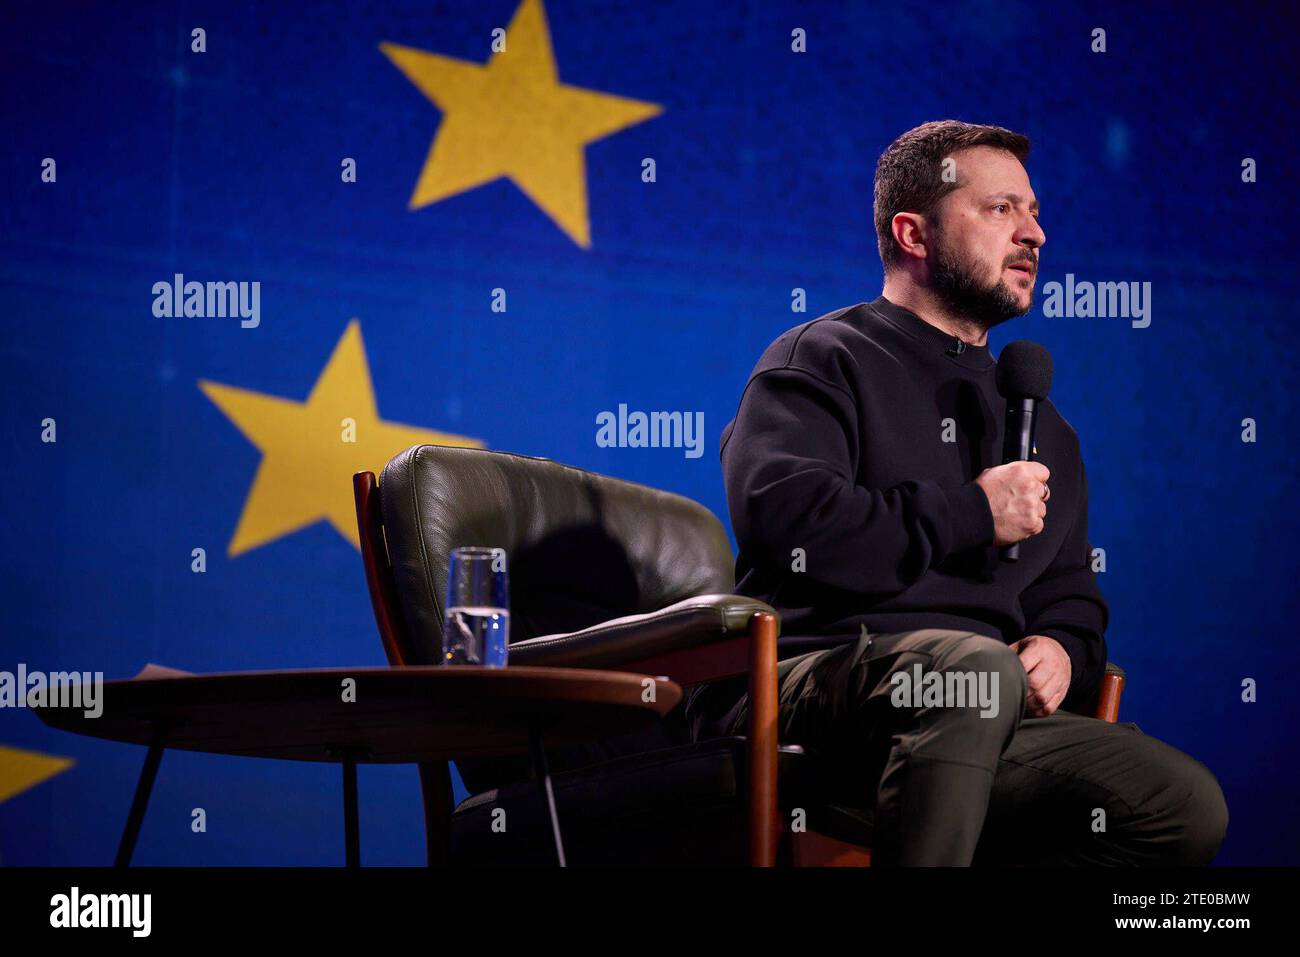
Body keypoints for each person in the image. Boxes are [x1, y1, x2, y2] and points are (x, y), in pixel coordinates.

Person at [684, 120, 1228, 866]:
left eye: (1034, 213)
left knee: (1182, 803)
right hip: (821, 686)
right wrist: (972, 512)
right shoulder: (823, 358)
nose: (1034, 234)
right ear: (913, 232)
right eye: (1001, 210)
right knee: (971, 670)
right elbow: (789, 523)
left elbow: (1071, 597)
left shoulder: (1046, 429)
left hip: (984, 711)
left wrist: (1064, 652)